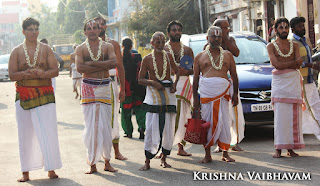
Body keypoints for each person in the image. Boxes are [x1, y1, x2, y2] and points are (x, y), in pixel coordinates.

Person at [8, 17, 62, 182]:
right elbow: (11, 75)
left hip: (45, 94)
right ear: (23, 31)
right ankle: (26, 172)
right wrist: (25, 74)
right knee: (25, 134)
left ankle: (51, 169)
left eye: (36, 29)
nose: (33, 32)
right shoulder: (17, 51)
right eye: (30, 29)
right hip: (24, 95)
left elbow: (55, 70)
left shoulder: (46, 50)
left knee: (48, 132)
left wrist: (44, 73)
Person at [75, 19, 118, 173]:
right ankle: (92, 163)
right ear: (85, 32)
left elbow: (113, 63)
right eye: (89, 28)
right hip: (88, 87)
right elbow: (80, 67)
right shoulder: (80, 49)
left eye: (95, 28)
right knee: (91, 126)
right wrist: (102, 64)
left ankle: (107, 161)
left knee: (106, 126)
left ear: (100, 30)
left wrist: (91, 65)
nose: (92, 30)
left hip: (104, 86)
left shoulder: (108, 46)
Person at [193, 26, 238, 163]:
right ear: (207, 38)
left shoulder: (228, 55)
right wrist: (195, 98)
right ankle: (207, 154)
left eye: (219, 36)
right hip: (207, 95)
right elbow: (195, 80)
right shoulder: (199, 57)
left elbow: (234, 76)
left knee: (225, 123)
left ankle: (225, 153)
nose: (216, 39)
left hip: (223, 95)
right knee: (207, 123)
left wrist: (235, 94)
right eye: (213, 36)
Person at [138, 32, 179, 171]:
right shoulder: (147, 59)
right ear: (152, 43)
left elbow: (177, 71)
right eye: (158, 42)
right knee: (151, 127)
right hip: (153, 94)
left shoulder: (168, 56)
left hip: (168, 94)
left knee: (168, 126)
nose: (161, 45)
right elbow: (140, 79)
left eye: (162, 42)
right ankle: (147, 161)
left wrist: (174, 84)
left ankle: (164, 157)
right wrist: (153, 83)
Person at [266, 17, 304, 158]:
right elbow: (276, 65)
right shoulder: (270, 46)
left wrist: (291, 63)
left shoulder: (294, 45)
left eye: (286, 27)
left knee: (293, 116)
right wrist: (293, 62)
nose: (284, 30)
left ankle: (291, 148)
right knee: (280, 117)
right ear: (275, 30)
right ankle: (278, 148)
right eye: (281, 28)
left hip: (292, 83)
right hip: (280, 84)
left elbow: (298, 64)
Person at [94, 16, 127, 160]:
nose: (100, 26)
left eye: (103, 24)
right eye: (97, 25)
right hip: (93, 85)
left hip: (111, 84)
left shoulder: (113, 44)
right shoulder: (88, 45)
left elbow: (120, 67)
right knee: (95, 120)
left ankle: (116, 152)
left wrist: (123, 88)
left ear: (105, 27)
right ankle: (96, 154)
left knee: (112, 118)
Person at [212, 19, 245, 152]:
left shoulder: (230, 40)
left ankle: (234, 142)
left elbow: (236, 53)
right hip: (217, 83)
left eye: (228, 27)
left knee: (234, 114)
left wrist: (224, 39)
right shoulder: (210, 43)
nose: (228, 30)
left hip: (231, 81)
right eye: (225, 28)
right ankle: (220, 144)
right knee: (219, 114)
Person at [164, 20, 194, 156]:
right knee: (167, 117)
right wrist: (172, 72)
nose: (177, 32)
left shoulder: (187, 50)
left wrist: (183, 71)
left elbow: (193, 70)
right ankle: (165, 147)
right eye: (174, 30)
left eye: (179, 30)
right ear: (168, 32)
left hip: (184, 85)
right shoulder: (163, 49)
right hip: (168, 85)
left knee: (183, 116)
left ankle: (181, 148)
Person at [290, 16, 320, 141]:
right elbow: (295, 62)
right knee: (310, 109)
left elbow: (308, 58)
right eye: (300, 26)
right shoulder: (292, 43)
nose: (303, 28)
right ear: (293, 29)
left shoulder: (304, 40)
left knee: (316, 107)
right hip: (301, 81)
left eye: (303, 25)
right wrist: (311, 65)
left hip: (310, 80)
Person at [120, 37, 146, 139]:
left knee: (125, 113)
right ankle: (142, 128)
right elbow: (142, 72)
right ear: (131, 46)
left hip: (126, 89)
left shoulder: (120, 59)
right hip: (138, 88)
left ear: (122, 46)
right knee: (140, 111)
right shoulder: (138, 57)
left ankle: (128, 132)